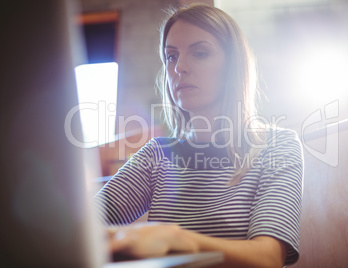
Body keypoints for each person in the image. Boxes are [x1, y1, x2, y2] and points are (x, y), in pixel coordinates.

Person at [94, 3, 304, 267]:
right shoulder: (156, 153)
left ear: (233, 66)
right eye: (171, 56)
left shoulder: (278, 146)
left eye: (200, 53)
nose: (179, 67)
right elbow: (85, 225)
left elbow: (268, 257)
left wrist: (179, 240)